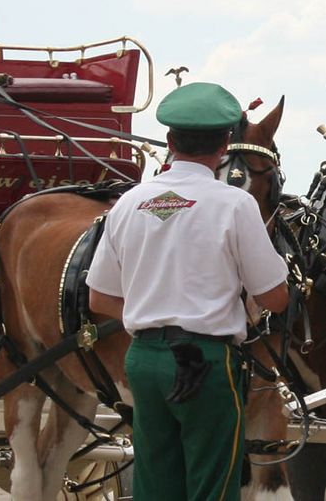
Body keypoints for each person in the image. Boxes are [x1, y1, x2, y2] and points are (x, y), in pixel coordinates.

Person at [86, 82, 289, 501]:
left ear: (169, 141)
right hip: (206, 363)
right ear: (225, 144)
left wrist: (154, 313)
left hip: (143, 360)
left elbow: (99, 299)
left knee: (155, 483)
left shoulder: (129, 202)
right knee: (211, 485)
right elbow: (276, 298)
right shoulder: (234, 205)